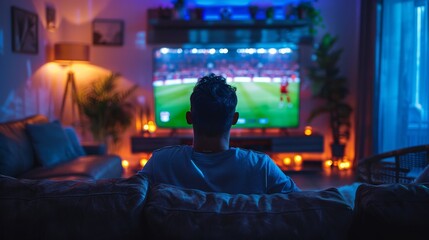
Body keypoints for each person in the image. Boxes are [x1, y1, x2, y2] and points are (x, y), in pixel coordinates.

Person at [138, 73, 300, 194]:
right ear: (234, 119)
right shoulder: (261, 167)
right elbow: (302, 204)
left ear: (189, 118)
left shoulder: (161, 162)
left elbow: (130, 195)